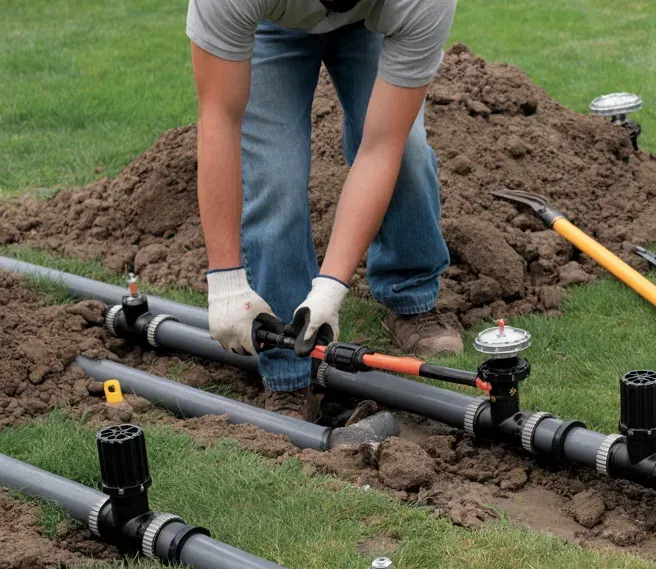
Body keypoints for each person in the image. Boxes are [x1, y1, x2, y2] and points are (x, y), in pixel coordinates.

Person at [187, 0, 462, 420]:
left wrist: (331, 286)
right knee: (276, 179)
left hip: (373, 25)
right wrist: (225, 280)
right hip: (271, 25)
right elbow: (219, 118)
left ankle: (410, 299)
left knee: (407, 153)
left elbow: (381, 146)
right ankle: (289, 372)